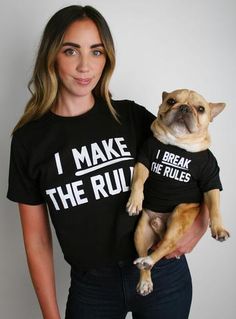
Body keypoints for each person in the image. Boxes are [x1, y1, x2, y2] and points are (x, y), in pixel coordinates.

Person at [7, 5, 209, 319]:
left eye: (96, 52)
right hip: (92, 288)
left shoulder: (130, 116)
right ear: (51, 55)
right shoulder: (28, 141)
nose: (85, 66)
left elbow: (200, 167)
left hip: (161, 273)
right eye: (71, 50)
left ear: (107, 58)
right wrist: (50, 315)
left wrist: (201, 223)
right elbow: (36, 240)